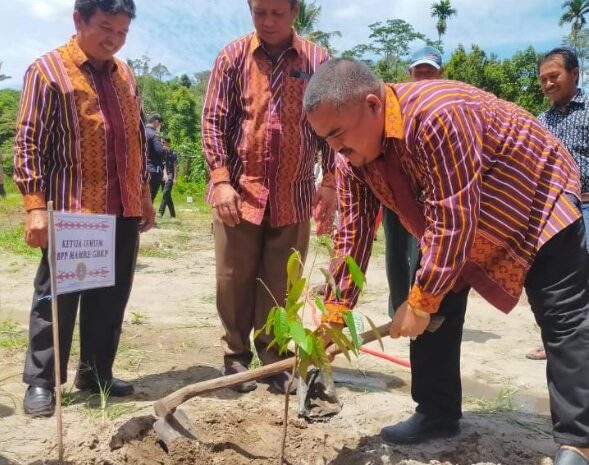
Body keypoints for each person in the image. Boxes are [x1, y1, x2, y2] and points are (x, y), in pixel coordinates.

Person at [304, 58, 589, 465]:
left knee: (563, 319)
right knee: (432, 305)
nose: (335, 148)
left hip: (537, 200)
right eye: (325, 139)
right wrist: (334, 314)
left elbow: (453, 217)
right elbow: (351, 238)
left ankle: (576, 442)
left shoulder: (439, 115)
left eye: (337, 134)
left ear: (372, 105)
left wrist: (420, 302)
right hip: (460, 222)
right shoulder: (349, 159)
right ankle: (436, 413)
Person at [13, 0, 154, 418]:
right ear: (79, 20)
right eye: (106, 28)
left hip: (123, 206)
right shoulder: (48, 71)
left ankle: (95, 374)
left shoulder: (125, 73)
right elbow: (27, 141)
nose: (114, 39)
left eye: (123, 32)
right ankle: (41, 381)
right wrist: (34, 205)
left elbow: (137, 140)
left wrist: (143, 194)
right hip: (75, 211)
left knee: (111, 298)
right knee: (57, 295)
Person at [201, 0, 336, 395]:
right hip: (239, 193)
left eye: (277, 13)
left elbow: (330, 123)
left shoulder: (316, 59)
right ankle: (236, 357)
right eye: (259, 12)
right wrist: (221, 179)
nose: (268, 21)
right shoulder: (232, 57)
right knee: (233, 278)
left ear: (295, 11)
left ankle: (274, 360)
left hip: (294, 195)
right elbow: (213, 121)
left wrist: (329, 182)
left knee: (281, 281)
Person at [525, 47, 589, 361]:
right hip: (552, 212)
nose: (548, 84)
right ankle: (559, 344)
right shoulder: (541, 121)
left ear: (575, 74)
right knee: (557, 280)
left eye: (554, 76)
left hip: (586, 206)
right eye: (543, 79)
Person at [382, 45, 444, 317]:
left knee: (422, 249)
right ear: (410, 73)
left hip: (429, 196)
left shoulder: (445, 107)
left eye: (429, 73)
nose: (424, 78)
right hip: (395, 191)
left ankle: (419, 305)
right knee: (395, 249)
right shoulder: (397, 104)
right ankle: (398, 306)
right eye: (419, 72)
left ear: (440, 75)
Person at [146, 112, 165, 202]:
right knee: (150, 197)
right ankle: (146, 216)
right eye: (160, 124)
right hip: (153, 170)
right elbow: (160, 152)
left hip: (140, 168)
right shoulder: (155, 134)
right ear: (156, 122)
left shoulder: (141, 131)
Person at [158, 137, 177, 218]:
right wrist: (163, 175)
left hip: (170, 175)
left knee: (165, 192)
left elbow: (175, 166)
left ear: (168, 143)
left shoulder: (173, 153)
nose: (162, 144)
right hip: (163, 175)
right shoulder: (162, 153)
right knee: (167, 194)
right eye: (161, 142)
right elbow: (163, 164)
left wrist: (174, 178)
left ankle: (160, 212)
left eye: (163, 142)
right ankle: (173, 214)